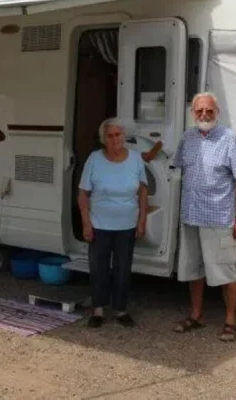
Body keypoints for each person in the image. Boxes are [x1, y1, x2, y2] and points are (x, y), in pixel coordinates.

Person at [172, 92, 236, 342]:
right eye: (199, 111)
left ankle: (230, 321)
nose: (204, 115)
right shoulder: (188, 137)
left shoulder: (229, 138)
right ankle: (196, 316)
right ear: (192, 113)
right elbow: (178, 170)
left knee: (226, 272)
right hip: (191, 216)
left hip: (218, 217)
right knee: (193, 270)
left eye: (209, 110)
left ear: (217, 112)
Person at [78, 117, 149, 328]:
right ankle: (98, 309)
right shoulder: (94, 159)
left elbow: (143, 191)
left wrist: (142, 220)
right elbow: (83, 193)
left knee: (122, 268)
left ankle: (120, 310)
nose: (114, 139)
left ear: (124, 136)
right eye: (110, 135)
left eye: (118, 134)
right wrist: (85, 223)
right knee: (98, 268)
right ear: (103, 139)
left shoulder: (135, 159)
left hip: (127, 225)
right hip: (99, 224)